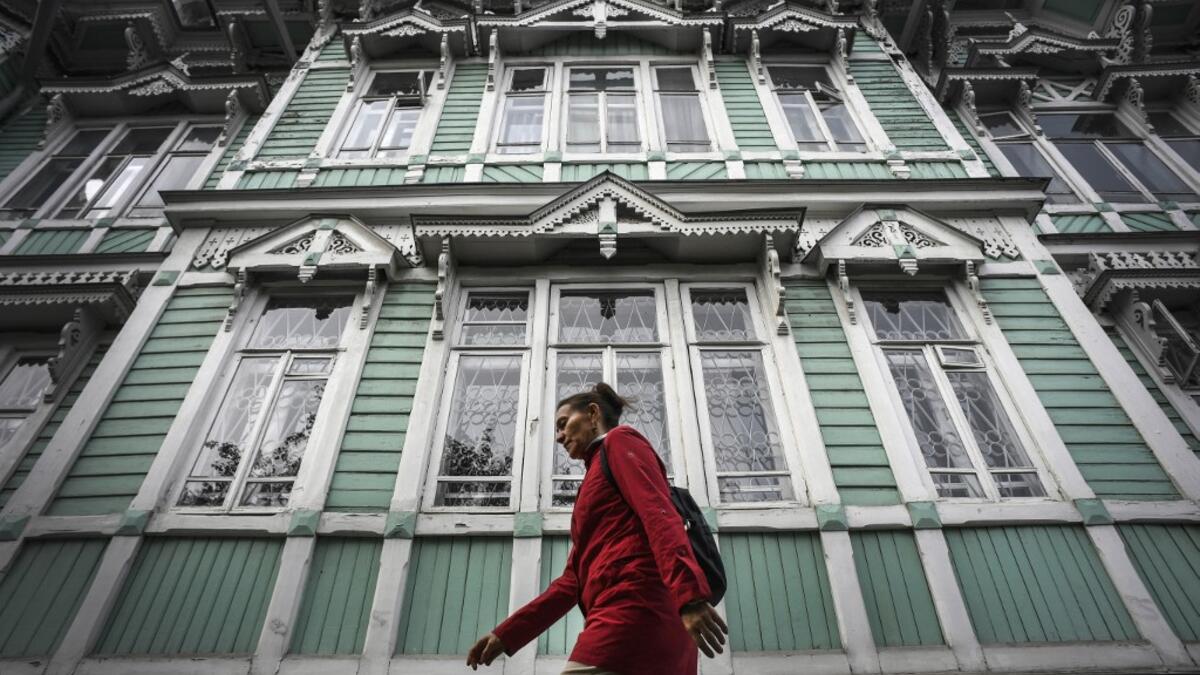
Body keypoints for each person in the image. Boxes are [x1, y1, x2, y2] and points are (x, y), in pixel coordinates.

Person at [466, 383, 728, 675]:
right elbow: (572, 582)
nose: (558, 437)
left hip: (635, 612)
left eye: (563, 424)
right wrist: (507, 634)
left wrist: (690, 597)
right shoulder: (593, 480)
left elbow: (660, 515)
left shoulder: (620, 442)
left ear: (592, 414)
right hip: (634, 617)